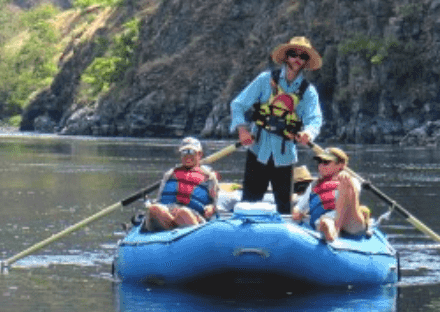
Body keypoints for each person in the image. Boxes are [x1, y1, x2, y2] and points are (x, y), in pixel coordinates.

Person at [229, 36, 323, 214]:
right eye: (294, 54)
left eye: (302, 56)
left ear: (306, 62)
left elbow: (315, 119)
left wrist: (309, 133)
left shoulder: (308, 92)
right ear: (286, 56)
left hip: (285, 156)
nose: (297, 59)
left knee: (284, 209)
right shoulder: (265, 80)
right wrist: (242, 130)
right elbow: (238, 104)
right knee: (249, 203)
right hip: (257, 151)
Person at [292, 147, 369, 242]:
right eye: (319, 162)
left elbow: (350, 201)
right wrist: (297, 212)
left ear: (340, 165)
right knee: (326, 221)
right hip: (326, 219)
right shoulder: (314, 185)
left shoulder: (351, 181)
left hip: (349, 221)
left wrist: (346, 182)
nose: (321, 166)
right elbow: (299, 208)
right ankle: (330, 230)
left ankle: (335, 229)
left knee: (346, 184)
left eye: (326, 162)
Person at [142, 137, 220, 231]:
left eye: (191, 152)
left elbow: (216, 202)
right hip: (168, 211)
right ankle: (169, 233)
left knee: (183, 213)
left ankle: (186, 236)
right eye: (184, 152)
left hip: (193, 214)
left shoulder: (209, 177)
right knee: (155, 209)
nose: (187, 156)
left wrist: (212, 208)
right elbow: (159, 198)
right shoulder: (170, 174)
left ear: (200, 154)